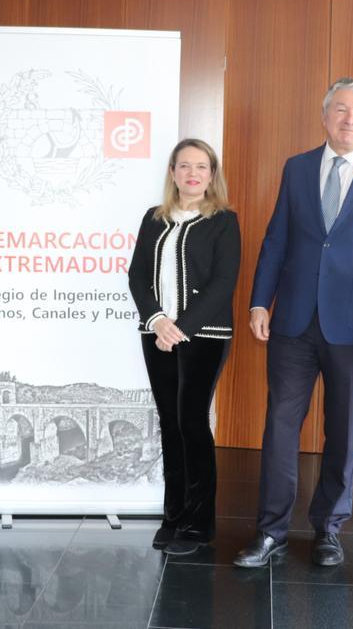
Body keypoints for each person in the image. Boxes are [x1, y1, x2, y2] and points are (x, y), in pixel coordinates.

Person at [234, 78, 353, 568]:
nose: (349, 119)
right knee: (280, 426)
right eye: (340, 109)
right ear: (324, 115)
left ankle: (329, 529)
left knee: (342, 430)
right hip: (292, 320)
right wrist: (258, 302)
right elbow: (276, 239)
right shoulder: (296, 168)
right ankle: (270, 532)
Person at [129, 139, 241, 556]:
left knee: (192, 421)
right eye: (184, 166)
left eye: (201, 167)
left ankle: (199, 522)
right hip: (155, 332)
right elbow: (138, 276)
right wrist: (158, 320)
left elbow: (223, 283)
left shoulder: (224, 221)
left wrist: (181, 327)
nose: (193, 174)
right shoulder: (153, 219)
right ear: (172, 172)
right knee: (169, 423)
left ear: (212, 174)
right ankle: (173, 515)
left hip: (205, 335)